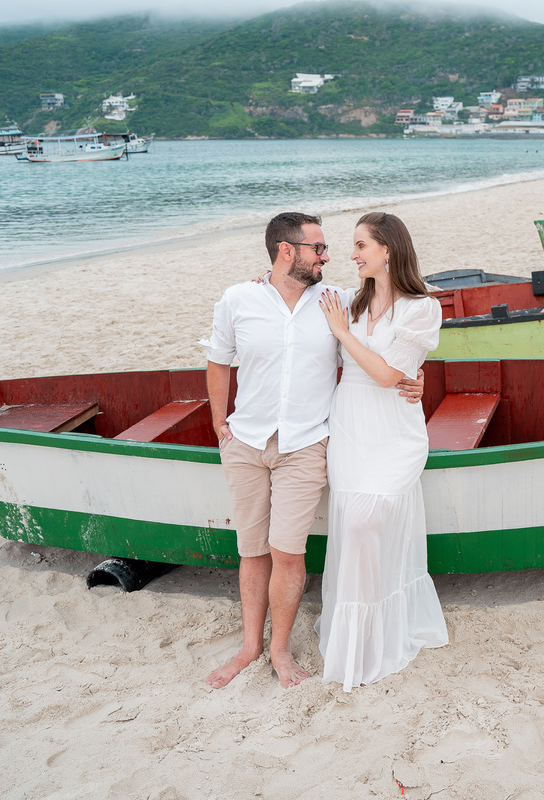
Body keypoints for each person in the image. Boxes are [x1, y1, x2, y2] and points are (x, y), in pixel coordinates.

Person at [204, 211, 421, 690]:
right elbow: (218, 360)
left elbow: (382, 340)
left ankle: (279, 649)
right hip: (245, 443)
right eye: (318, 248)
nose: (329, 256)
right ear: (288, 251)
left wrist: (414, 378)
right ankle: (249, 647)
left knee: (287, 552)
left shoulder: (336, 300)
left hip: (305, 446)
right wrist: (220, 423)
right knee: (251, 550)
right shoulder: (237, 299)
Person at [316, 211, 449, 692]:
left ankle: (382, 630)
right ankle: (358, 638)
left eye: (360, 245)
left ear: (388, 249)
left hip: (394, 429)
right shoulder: (347, 306)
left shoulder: (421, 308)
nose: (351, 255)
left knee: (369, 520)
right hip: (351, 425)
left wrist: (344, 334)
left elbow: (390, 375)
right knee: (355, 526)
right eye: (351, 247)